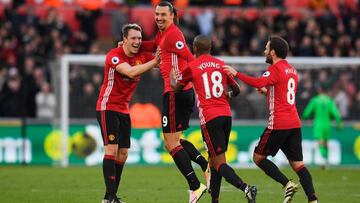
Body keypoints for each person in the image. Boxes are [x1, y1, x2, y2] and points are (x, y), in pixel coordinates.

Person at [224, 36, 319, 203]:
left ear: (273, 52)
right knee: (298, 165)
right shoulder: (292, 70)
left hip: (279, 123)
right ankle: (313, 200)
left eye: (267, 49)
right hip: (294, 123)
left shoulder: (275, 69)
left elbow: (259, 81)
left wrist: (236, 73)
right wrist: (268, 92)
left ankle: (287, 183)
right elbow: (284, 96)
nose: (264, 51)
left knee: (258, 158)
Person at [171, 35, 258, 203]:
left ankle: (246, 188)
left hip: (210, 118)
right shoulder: (220, 64)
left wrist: (172, 78)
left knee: (218, 163)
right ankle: (215, 200)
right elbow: (237, 89)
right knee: (214, 161)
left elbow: (177, 88)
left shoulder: (192, 66)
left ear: (195, 48)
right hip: (226, 116)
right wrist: (228, 95)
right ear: (210, 48)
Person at [140, 2, 209, 202]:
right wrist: (134, 46)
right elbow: (153, 47)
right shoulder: (164, 35)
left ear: (171, 16)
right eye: (156, 14)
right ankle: (206, 166)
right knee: (175, 142)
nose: (159, 17)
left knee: (170, 145)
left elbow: (190, 58)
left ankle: (195, 187)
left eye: (163, 14)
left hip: (174, 93)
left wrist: (205, 77)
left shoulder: (174, 34)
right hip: (182, 93)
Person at [96, 23, 160, 203]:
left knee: (123, 153)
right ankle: (110, 197)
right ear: (124, 39)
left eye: (139, 38)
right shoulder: (114, 56)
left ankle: (109, 197)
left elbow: (160, 59)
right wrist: (154, 62)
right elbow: (131, 72)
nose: (137, 41)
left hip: (124, 109)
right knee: (111, 149)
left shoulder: (141, 56)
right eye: (133, 38)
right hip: (107, 107)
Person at [302, 84, 343, 169]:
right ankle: (326, 160)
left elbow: (307, 111)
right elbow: (336, 114)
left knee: (320, 141)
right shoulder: (329, 101)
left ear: (320, 90)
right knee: (325, 142)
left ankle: (323, 159)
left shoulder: (315, 100)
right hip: (327, 124)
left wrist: (302, 118)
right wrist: (339, 123)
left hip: (319, 124)